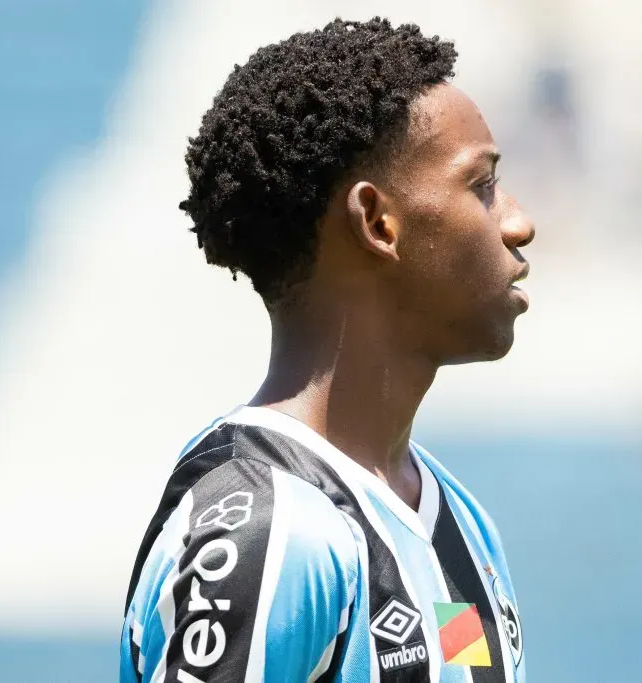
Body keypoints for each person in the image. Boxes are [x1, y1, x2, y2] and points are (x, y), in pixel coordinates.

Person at [121, 17, 533, 683]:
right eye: (480, 186)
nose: (519, 222)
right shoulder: (266, 529)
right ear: (377, 221)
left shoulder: (460, 524)